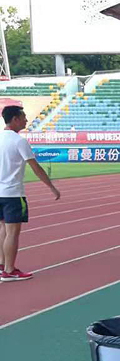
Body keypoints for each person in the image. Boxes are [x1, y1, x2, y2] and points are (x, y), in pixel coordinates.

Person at [1, 106, 61, 282]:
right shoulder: (19, 141)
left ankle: (2, 265)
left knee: (2, 229)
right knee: (12, 232)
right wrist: (51, 187)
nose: (26, 121)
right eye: (23, 117)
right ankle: (9, 270)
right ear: (14, 119)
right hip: (12, 193)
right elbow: (35, 167)